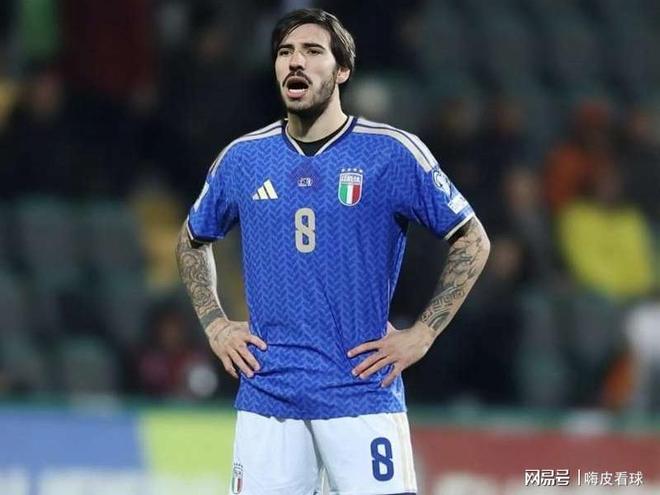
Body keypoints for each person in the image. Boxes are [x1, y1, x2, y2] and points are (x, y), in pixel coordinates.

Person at [176, 8, 490, 495]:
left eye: (311, 51)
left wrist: (423, 334)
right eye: (285, 52)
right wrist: (215, 324)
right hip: (269, 397)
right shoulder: (243, 158)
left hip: (360, 392)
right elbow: (192, 240)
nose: (295, 62)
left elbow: (472, 238)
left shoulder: (390, 152)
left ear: (342, 70)